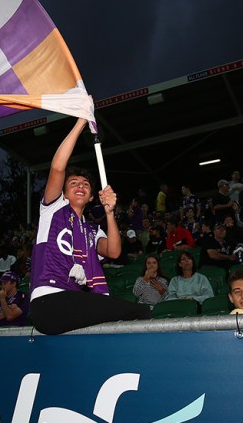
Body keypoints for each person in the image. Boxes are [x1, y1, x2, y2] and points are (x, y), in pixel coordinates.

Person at [28, 119, 151, 335]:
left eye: (85, 185)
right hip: (49, 300)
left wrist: (110, 212)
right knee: (140, 312)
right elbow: (58, 167)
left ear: (92, 196)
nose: (80, 186)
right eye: (73, 183)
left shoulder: (92, 231)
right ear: (63, 193)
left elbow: (114, 251)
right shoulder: (53, 210)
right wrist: (81, 121)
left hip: (73, 303)